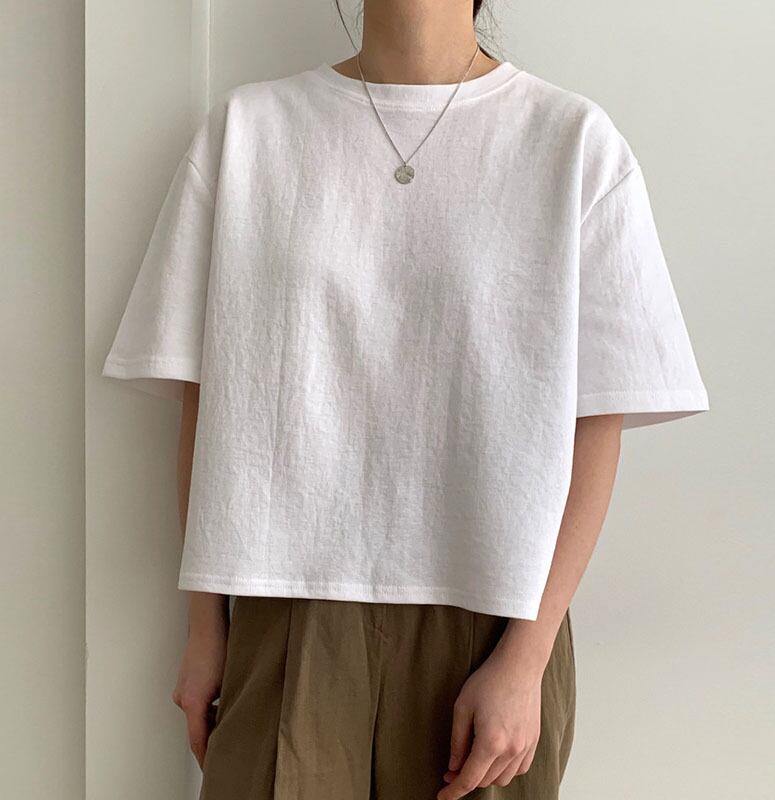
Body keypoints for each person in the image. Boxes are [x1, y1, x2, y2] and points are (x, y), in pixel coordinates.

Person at [101, 1, 709, 797]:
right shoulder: (250, 132)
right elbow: (206, 395)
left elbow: (599, 422)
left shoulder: (570, 142)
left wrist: (526, 659)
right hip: (286, 612)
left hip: (494, 619)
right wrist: (205, 628)